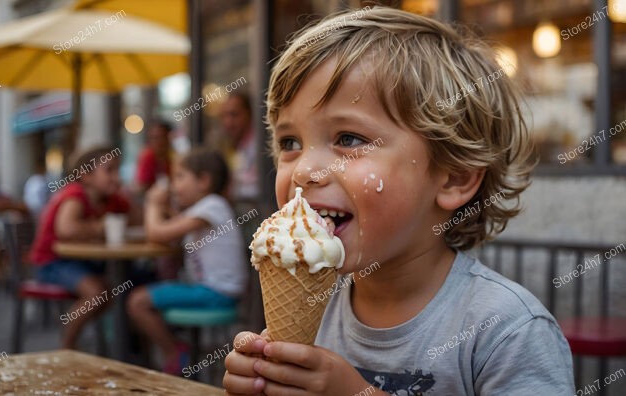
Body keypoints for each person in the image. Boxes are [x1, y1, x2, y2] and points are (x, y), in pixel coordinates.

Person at [223, 7, 574, 395]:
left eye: (348, 139)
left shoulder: (507, 331)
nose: (304, 170)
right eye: (290, 143)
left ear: (455, 177)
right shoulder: (315, 307)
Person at [126, 147, 247, 375]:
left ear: (203, 181)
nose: (173, 185)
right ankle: (177, 353)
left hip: (217, 292)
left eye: (180, 177)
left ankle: (175, 353)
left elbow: (157, 233)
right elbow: (169, 230)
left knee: (137, 301)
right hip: (213, 290)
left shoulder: (212, 206)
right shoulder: (206, 208)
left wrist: (152, 204)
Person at [29, 146, 131, 349]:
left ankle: (116, 348)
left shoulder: (110, 198)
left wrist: (127, 195)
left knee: (119, 288)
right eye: (109, 170)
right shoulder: (75, 195)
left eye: (118, 171)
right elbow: (66, 229)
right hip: (52, 263)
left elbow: (136, 218)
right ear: (86, 176)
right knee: (96, 293)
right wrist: (99, 227)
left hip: (80, 262)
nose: (116, 177)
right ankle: (66, 347)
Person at [219, 92, 259, 201]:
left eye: (234, 114)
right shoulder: (235, 145)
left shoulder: (260, 146)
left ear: (249, 114)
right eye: (224, 116)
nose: (228, 122)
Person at [135, 120, 172, 194]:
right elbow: (141, 186)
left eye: (161, 137)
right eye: (154, 138)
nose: (158, 141)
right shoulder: (147, 157)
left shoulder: (174, 157)